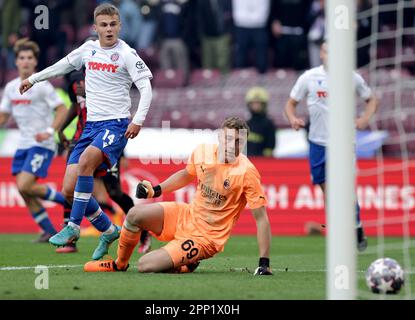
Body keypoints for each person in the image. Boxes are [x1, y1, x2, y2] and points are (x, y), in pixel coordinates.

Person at [19, 3, 153, 260]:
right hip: (90, 126)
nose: (109, 29)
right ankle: (108, 228)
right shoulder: (88, 49)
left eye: (113, 24)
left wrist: (138, 119)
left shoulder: (127, 53)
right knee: (68, 188)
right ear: (95, 27)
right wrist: (33, 79)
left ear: (119, 26)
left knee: (86, 164)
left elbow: (146, 88)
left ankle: (72, 227)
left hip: (115, 124)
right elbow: (62, 66)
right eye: (104, 25)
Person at [84, 117, 273, 276]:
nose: (233, 145)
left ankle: (187, 263)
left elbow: (261, 219)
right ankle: (119, 264)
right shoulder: (203, 151)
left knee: (145, 265)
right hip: (187, 215)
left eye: (239, 141)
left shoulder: (247, 172)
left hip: (206, 238)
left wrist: (264, 263)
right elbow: (186, 175)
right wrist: (156, 190)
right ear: (220, 137)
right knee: (133, 215)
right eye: (229, 139)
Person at [283, 41, 378, 251]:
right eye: (326, 51)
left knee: (343, 189)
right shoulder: (309, 77)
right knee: (327, 191)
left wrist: (364, 118)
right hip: (318, 142)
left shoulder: (351, 77)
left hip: (344, 143)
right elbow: (290, 103)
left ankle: (354, 226)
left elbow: (371, 100)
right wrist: (292, 118)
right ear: (322, 54)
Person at [0, 39, 68, 242]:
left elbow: (62, 109)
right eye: (22, 58)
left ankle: (70, 201)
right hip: (23, 144)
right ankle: (49, 231)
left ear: (35, 63)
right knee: (23, 190)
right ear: (16, 62)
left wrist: (50, 131)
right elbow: (3, 117)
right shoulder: (10, 87)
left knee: (25, 185)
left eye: (29, 58)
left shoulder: (42, 85)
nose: (25, 62)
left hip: (42, 143)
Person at [56, 67, 151, 254]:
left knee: (114, 193)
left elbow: (118, 119)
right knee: (69, 189)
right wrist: (61, 129)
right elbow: (75, 106)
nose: (80, 85)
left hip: (105, 143)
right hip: (80, 142)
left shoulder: (105, 83)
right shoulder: (74, 84)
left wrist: (121, 153)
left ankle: (143, 232)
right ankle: (73, 238)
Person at [245, 87, 277, 157]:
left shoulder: (269, 124)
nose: (256, 106)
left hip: (263, 163)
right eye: (253, 103)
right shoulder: (246, 124)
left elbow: (270, 148)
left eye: (258, 103)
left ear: (264, 105)